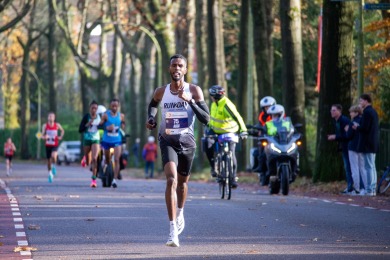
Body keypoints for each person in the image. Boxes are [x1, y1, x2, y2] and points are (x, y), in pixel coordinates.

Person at [146, 54, 210, 247]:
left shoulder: (194, 90)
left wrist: (189, 101)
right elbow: (152, 105)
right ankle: (172, 230)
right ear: (169, 68)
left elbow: (206, 119)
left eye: (180, 65)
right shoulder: (161, 91)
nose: (176, 68)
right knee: (171, 180)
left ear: (185, 69)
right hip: (167, 140)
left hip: (188, 143)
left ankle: (180, 211)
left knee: (182, 184)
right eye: (173, 65)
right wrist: (151, 119)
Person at [205, 85, 248, 188]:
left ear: (213, 96)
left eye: (211, 95)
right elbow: (213, 119)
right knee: (207, 144)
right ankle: (213, 167)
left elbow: (237, 117)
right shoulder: (213, 104)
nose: (211, 97)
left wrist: (243, 130)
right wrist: (208, 125)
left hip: (230, 132)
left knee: (231, 154)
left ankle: (232, 178)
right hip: (216, 131)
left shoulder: (226, 104)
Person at [352, 93, 379, 196]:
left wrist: (357, 127)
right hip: (373, 142)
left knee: (368, 167)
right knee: (372, 166)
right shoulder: (373, 112)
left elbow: (365, 128)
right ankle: (372, 188)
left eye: (361, 101)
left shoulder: (367, 113)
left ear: (366, 101)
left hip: (368, 143)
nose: (360, 103)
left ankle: (370, 189)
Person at [99, 98, 125, 188]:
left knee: (117, 159)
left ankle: (114, 180)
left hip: (117, 140)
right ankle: (105, 172)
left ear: (118, 106)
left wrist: (122, 127)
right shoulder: (105, 115)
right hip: (106, 141)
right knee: (107, 160)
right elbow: (100, 125)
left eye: (116, 106)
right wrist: (107, 128)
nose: (114, 107)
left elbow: (123, 124)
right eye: (113, 106)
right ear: (110, 106)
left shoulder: (121, 116)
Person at [327, 104, 352, 194]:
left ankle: (351, 188)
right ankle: (350, 186)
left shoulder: (344, 120)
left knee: (349, 167)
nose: (331, 112)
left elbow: (347, 135)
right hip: (344, 147)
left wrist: (335, 137)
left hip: (348, 147)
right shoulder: (336, 121)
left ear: (339, 111)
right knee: (347, 167)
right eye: (331, 110)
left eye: (334, 110)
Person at [79, 100, 101, 188]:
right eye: (92, 108)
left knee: (95, 159)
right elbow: (80, 129)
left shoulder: (100, 117)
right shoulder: (86, 117)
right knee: (88, 161)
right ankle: (85, 158)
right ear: (90, 108)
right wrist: (87, 124)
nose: (94, 110)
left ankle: (94, 180)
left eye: (95, 108)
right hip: (87, 139)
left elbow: (104, 126)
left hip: (96, 139)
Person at [345, 105, 365, 195]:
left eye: (351, 112)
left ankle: (357, 188)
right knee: (362, 168)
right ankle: (364, 188)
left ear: (356, 112)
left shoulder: (352, 123)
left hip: (353, 146)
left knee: (354, 168)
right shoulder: (363, 121)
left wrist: (347, 130)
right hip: (361, 147)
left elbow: (348, 135)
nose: (350, 113)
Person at [41, 112, 65, 183]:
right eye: (50, 116)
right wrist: (44, 137)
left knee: (54, 156)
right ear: (48, 118)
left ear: (54, 118)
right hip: (48, 144)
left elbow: (62, 130)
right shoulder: (45, 126)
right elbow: (41, 135)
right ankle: (50, 174)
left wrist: (60, 136)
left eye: (52, 117)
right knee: (48, 161)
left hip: (55, 144)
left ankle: (54, 165)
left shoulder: (57, 125)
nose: (51, 118)